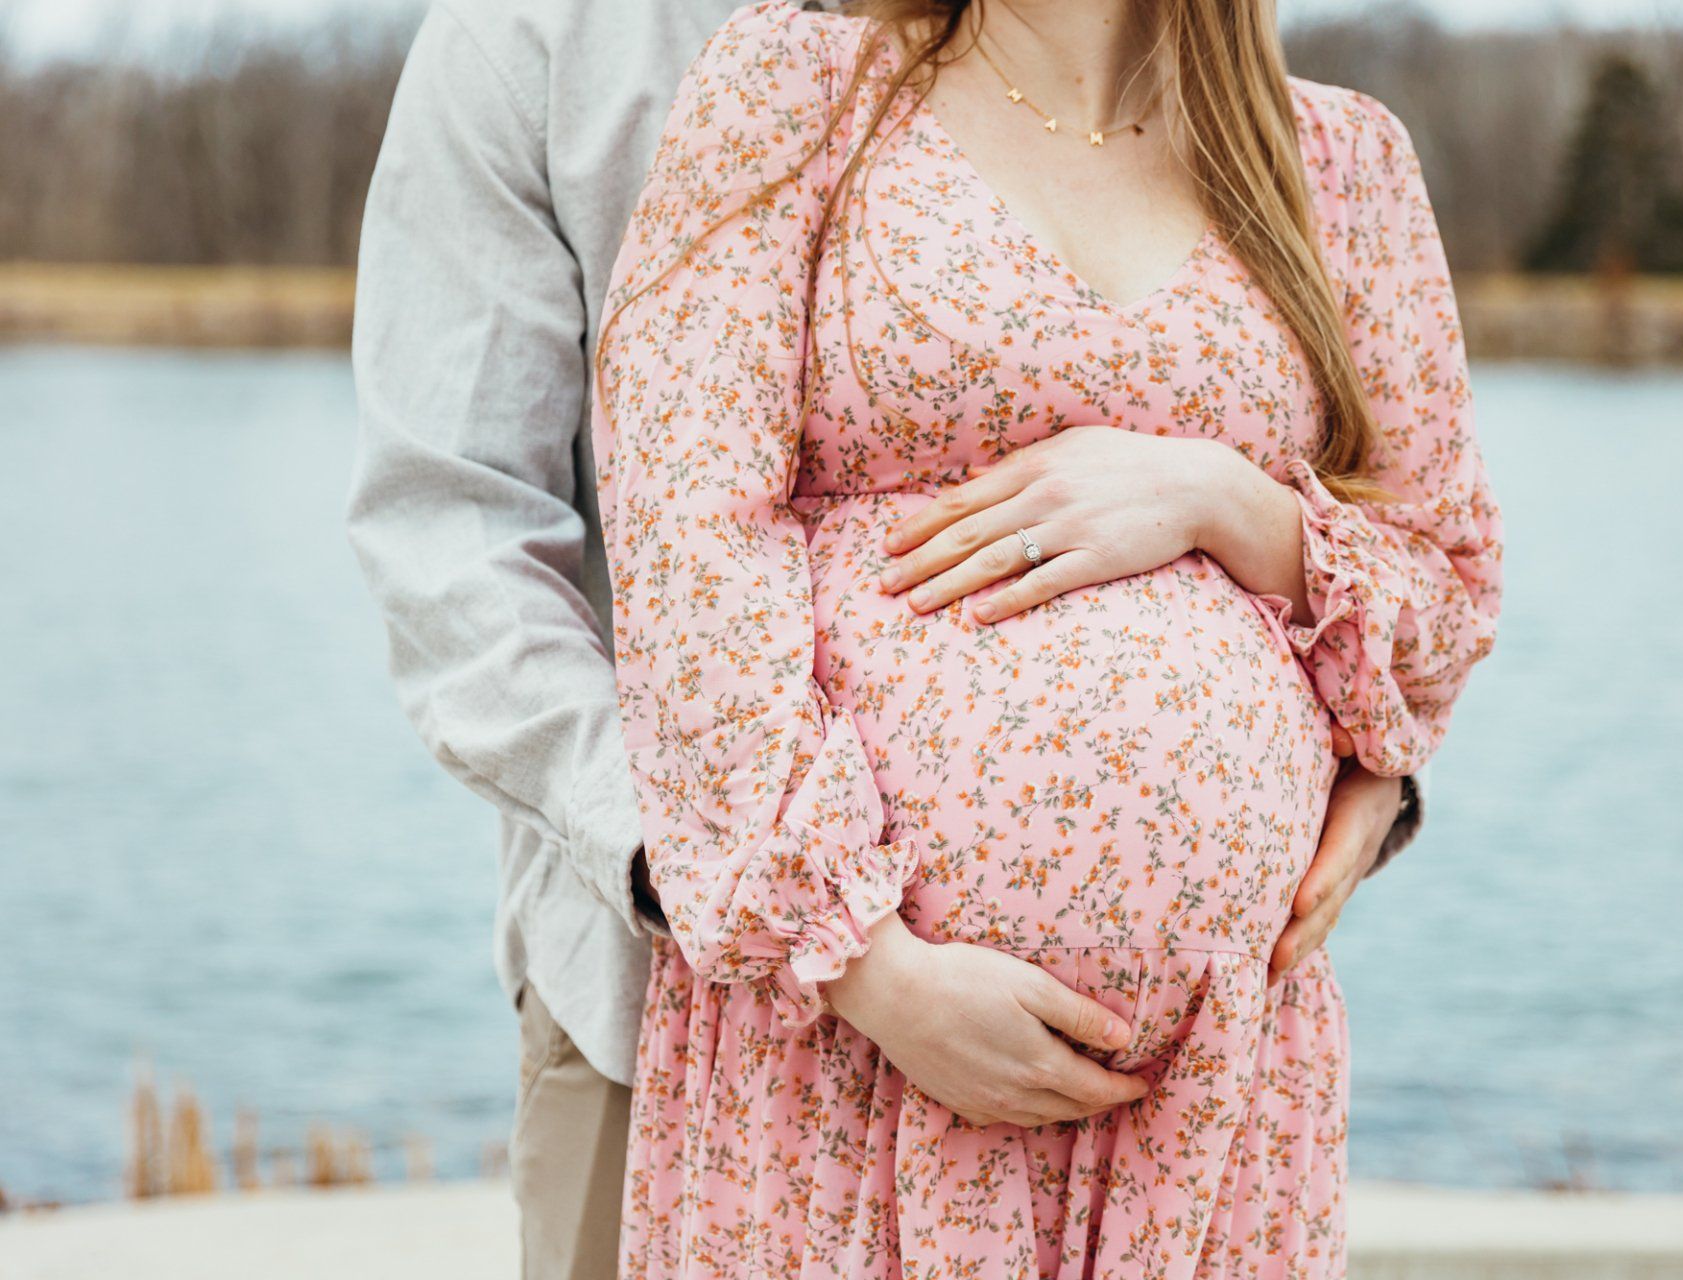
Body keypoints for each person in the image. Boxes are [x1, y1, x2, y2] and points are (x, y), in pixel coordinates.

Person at [347, 0, 1438, 1275]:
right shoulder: (550, 33)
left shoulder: (1228, 100)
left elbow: (1388, 516)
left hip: (1182, 1102)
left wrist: (1368, 759)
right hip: (677, 1009)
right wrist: (797, 922)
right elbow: (456, 544)